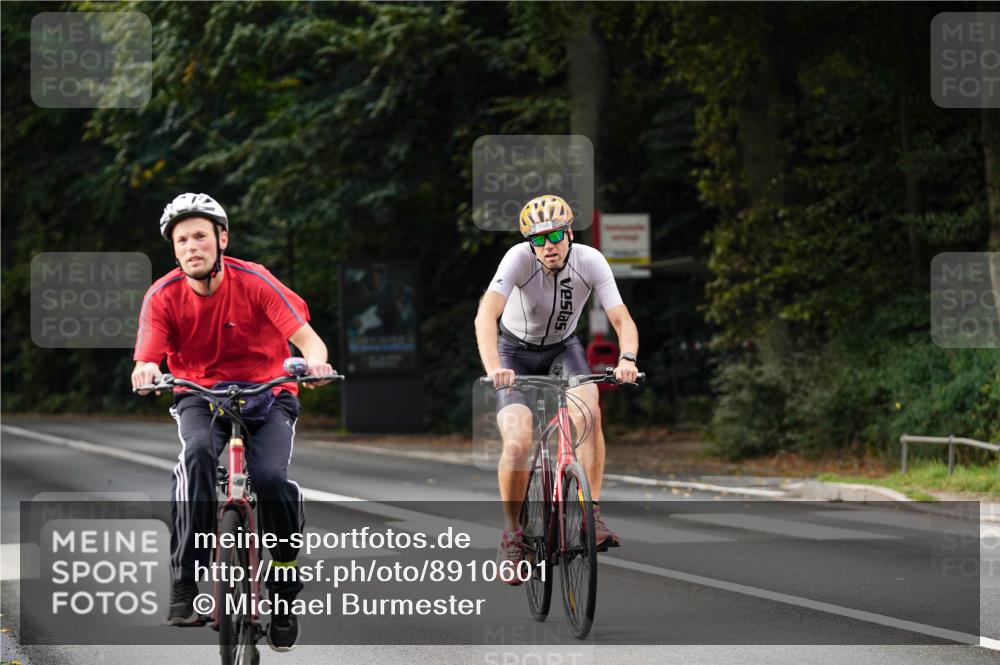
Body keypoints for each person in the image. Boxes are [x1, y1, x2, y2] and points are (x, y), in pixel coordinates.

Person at [131, 193, 334, 651]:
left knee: (270, 478)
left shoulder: (255, 281)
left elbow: (308, 340)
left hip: (269, 393)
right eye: (182, 240)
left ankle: (283, 590)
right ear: (174, 249)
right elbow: (146, 358)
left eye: (200, 236)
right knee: (197, 456)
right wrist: (144, 371)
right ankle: (185, 581)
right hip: (200, 396)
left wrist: (316, 363)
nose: (192, 247)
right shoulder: (162, 296)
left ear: (222, 239)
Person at [474, 194, 639, 582]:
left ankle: (591, 514)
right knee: (517, 443)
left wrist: (627, 358)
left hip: (564, 349)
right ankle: (513, 535)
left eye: (555, 236)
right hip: (513, 353)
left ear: (569, 234)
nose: (548, 245)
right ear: (530, 243)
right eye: (538, 239)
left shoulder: (591, 261)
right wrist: (495, 369)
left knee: (589, 412)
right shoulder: (517, 259)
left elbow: (622, 319)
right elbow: (486, 316)